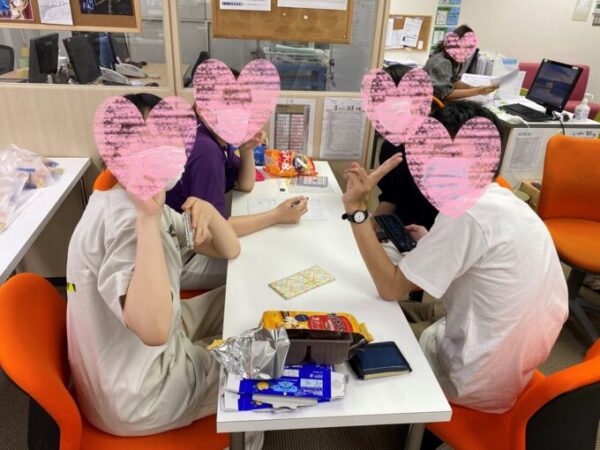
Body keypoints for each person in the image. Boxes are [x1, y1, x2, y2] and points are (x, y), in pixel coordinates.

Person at [341, 101, 568, 413]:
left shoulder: (466, 213)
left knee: (360, 332)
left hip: (474, 377)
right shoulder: (504, 200)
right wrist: (434, 243)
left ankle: (409, 418)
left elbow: (389, 287)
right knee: (388, 309)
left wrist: (356, 209)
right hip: (517, 360)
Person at [66, 98, 241, 437]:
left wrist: (207, 210)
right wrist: (147, 219)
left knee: (238, 296)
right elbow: (155, 330)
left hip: (123, 364)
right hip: (142, 393)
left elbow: (230, 248)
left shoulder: (121, 195)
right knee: (257, 359)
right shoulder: (131, 219)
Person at [165, 95, 308, 290]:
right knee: (261, 262)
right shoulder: (206, 150)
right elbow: (217, 227)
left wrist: (246, 149)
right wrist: (277, 215)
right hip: (182, 256)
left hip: (188, 238)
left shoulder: (211, 135)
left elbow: (245, 184)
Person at [374, 64, 439, 230]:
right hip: (400, 231)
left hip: (432, 234)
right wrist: (367, 227)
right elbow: (391, 198)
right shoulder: (390, 146)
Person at [424, 25, 497, 101]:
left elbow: (453, 81)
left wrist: (473, 88)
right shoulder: (442, 61)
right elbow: (446, 94)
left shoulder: (446, 57)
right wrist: (478, 91)